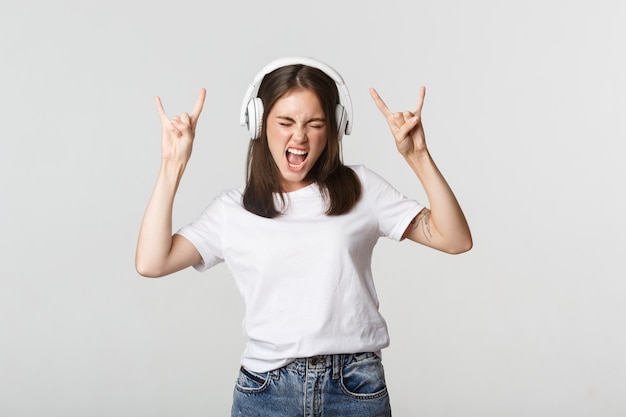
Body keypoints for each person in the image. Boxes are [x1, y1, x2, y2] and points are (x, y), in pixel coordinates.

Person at [135, 56, 472, 417]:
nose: (299, 136)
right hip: (266, 392)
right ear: (258, 124)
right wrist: (173, 164)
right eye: (285, 122)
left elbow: (454, 239)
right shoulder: (232, 210)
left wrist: (418, 156)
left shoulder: (362, 189)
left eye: (315, 124)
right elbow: (152, 262)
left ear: (334, 128)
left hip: (355, 388)